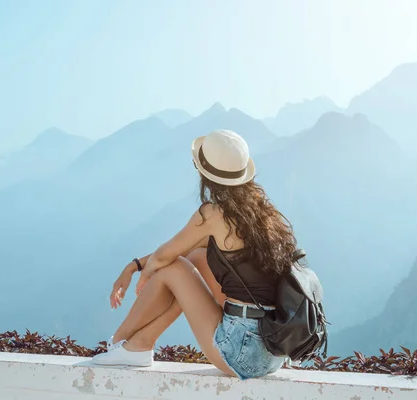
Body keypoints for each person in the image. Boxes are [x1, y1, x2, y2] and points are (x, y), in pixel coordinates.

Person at [92, 129, 297, 380]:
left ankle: (119, 341)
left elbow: (164, 256)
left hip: (241, 352)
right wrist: (133, 266)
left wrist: (145, 275)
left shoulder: (213, 215)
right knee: (198, 257)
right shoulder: (262, 215)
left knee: (174, 268)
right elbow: (184, 249)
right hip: (272, 350)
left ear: (204, 173)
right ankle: (139, 345)